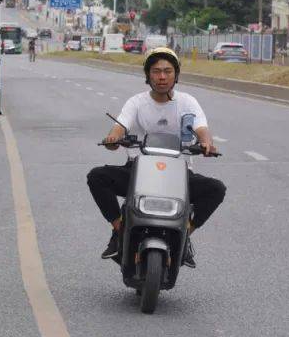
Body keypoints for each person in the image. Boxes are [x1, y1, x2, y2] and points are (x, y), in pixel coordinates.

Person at [86, 47, 226, 268]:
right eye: (156, 71)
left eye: (168, 71)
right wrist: (113, 139)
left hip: (179, 174)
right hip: (138, 171)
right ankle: (119, 228)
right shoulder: (136, 102)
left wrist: (206, 143)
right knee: (96, 177)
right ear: (147, 75)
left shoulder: (187, 102)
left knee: (216, 189)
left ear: (176, 74)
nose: (162, 77)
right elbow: (120, 126)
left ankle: (185, 233)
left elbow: (201, 127)